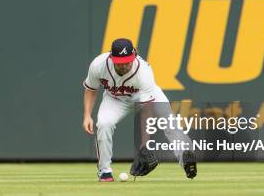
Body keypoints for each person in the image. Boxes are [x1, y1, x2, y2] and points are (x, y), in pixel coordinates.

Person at [82, 38, 197, 182]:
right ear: (111, 58)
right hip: (115, 99)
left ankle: (187, 160)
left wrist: (144, 146)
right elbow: (91, 89)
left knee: (170, 124)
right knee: (104, 124)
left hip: (148, 96)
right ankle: (105, 172)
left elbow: (146, 110)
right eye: (119, 61)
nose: (123, 64)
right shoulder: (98, 64)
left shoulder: (144, 71)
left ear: (134, 55)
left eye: (127, 60)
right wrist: (87, 115)